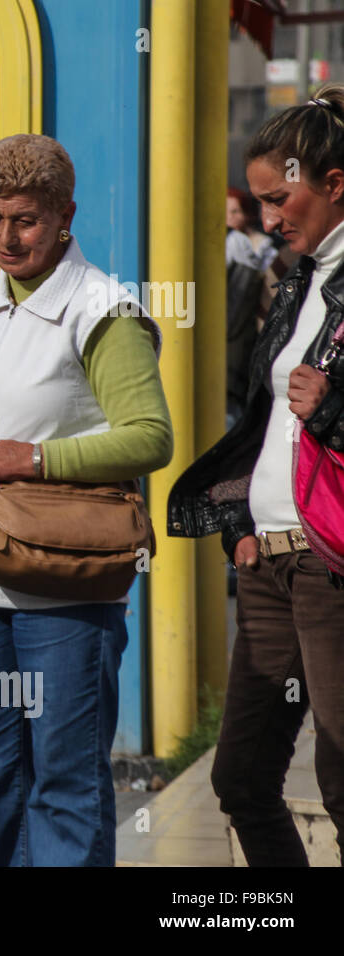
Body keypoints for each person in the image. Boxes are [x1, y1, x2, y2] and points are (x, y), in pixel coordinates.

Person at [0, 134, 173, 866]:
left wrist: (36, 458)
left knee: (64, 783)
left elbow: (152, 437)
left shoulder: (103, 310)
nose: (6, 236)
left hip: (62, 594)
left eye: (24, 219)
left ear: (65, 216)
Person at [169, 86, 344, 867]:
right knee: (242, 778)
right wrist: (239, 528)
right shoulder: (299, 280)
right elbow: (261, 422)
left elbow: (316, 418)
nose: (270, 218)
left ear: (334, 182)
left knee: (342, 780)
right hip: (270, 563)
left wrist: (336, 408)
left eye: (281, 197)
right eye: (261, 201)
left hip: (330, 565)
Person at [227, 188, 280, 422]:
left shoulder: (243, 244)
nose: (230, 217)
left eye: (236, 211)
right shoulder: (233, 242)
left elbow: (234, 317)